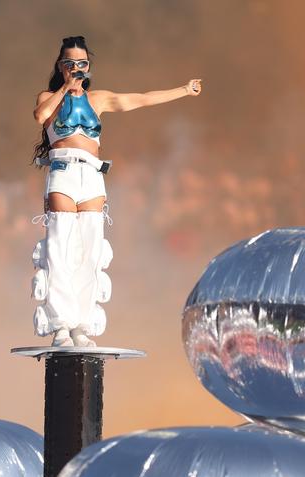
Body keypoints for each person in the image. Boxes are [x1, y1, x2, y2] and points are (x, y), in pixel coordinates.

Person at [31, 35, 201, 347]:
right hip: (63, 171)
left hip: (92, 174)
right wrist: (65, 87)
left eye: (82, 63)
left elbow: (142, 98)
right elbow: (41, 117)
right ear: (61, 66)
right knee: (60, 247)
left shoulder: (99, 99)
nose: (77, 68)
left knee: (90, 249)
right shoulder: (49, 96)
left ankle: (81, 325)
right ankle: (61, 326)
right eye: (70, 63)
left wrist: (183, 90)